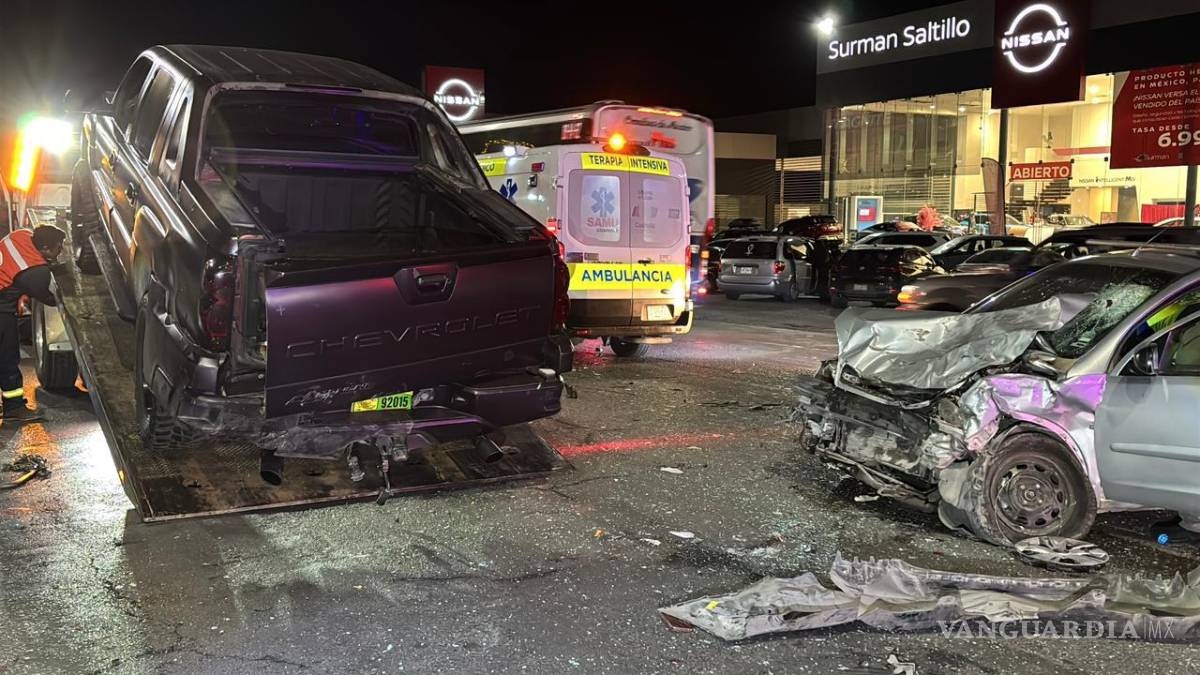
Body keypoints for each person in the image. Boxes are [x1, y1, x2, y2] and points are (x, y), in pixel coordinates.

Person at [0, 225, 66, 422]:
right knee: (7, 358)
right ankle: (14, 407)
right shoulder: (36, 272)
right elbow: (50, 299)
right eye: (58, 247)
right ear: (44, 248)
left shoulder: (21, 234)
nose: (61, 250)